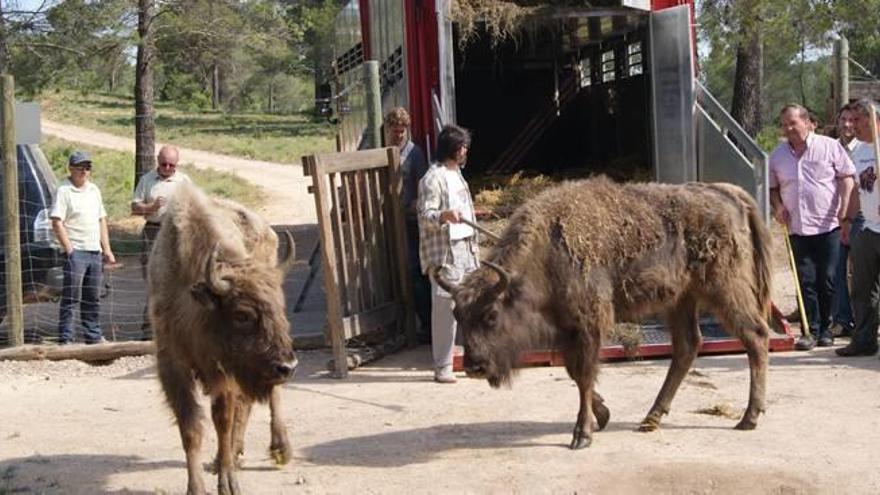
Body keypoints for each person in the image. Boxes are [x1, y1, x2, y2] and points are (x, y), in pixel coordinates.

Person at [769, 104, 855, 350]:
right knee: (804, 280)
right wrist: (777, 207)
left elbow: (847, 177)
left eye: (793, 123)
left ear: (808, 123)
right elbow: (773, 188)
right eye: (784, 124)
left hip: (828, 226)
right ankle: (811, 331)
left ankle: (827, 328)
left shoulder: (830, 147)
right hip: (796, 227)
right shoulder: (777, 156)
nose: (788, 129)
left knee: (827, 279)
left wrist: (843, 208)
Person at [418, 124, 479, 383]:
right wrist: (444, 215)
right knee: (445, 308)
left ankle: (473, 360)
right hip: (445, 252)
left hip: (466, 246)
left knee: (471, 304)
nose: (465, 150)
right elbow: (424, 215)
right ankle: (443, 366)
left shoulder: (458, 175)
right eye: (462, 146)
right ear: (453, 149)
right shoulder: (433, 177)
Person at [51, 151, 116, 345]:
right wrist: (69, 249)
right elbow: (57, 221)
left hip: (94, 251)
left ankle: (93, 335)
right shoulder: (63, 190)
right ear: (70, 168)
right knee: (71, 297)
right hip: (76, 251)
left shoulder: (94, 190)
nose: (84, 171)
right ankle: (66, 338)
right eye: (80, 167)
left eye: (87, 167)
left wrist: (107, 249)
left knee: (92, 297)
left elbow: (101, 220)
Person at [131, 145, 191, 339]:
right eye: (163, 164)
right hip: (153, 231)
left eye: (171, 165)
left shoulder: (184, 181)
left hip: (177, 231)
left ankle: (177, 330)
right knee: (154, 280)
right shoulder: (147, 180)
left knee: (179, 280)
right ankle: (149, 331)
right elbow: (135, 207)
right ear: (158, 161)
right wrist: (151, 206)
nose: (166, 168)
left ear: (177, 164)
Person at [384, 107, 432, 343]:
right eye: (395, 132)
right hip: (388, 220)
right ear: (388, 130)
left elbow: (424, 185)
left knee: (414, 271)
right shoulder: (381, 151)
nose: (398, 136)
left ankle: (426, 323)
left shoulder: (415, 153)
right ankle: (397, 323)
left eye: (402, 132)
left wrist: (416, 201)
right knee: (390, 271)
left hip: (410, 221)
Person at [837, 99, 880, 357]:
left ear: (872, 119)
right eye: (849, 120)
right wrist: (849, 220)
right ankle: (864, 340)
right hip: (868, 228)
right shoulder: (861, 151)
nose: (851, 125)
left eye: (856, 120)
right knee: (863, 289)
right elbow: (856, 189)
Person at [830, 104, 862, 337]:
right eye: (844, 120)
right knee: (836, 269)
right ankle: (842, 320)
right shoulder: (830, 148)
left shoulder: (867, 149)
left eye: (853, 120)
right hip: (836, 217)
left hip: (863, 217)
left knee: (863, 272)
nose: (848, 125)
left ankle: (866, 321)